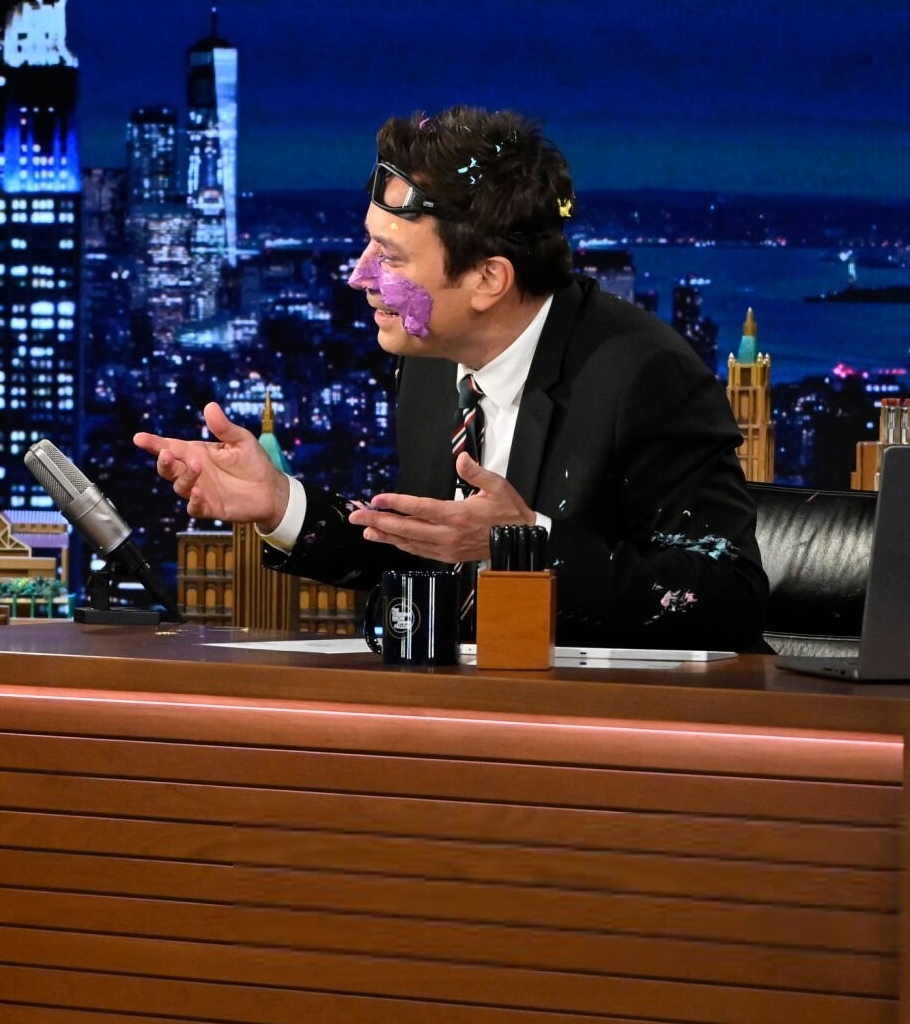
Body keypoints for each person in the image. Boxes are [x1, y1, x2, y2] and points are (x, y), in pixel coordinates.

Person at [135, 106, 769, 651]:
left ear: (489, 279)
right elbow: (432, 550)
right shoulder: (428, 362)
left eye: (390, 256)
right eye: (369, 246)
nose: (359, 276)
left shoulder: (645, 375)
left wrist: (525, 545)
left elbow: (728, 600)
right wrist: (282, 503)